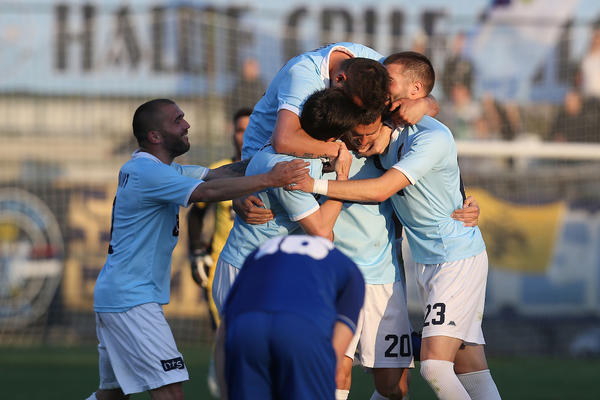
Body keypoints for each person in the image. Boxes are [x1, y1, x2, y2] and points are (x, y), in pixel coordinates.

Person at [293, 52, 501, 400]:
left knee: (434, 368)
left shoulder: (431, 137)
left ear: (415, 90)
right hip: (429, 261)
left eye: (388, 79)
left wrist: (314, 185)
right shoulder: (386, 123)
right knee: (469, 364)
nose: (379, 83)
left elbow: (381, 190)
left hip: (456, 258)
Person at [86, 98, 308, 400]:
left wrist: (270, 157)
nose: (187, 125)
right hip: (131, 301)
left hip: (119, 296)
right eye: (177, 120)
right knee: (171, 391)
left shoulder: (156, 169)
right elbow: (207, 191)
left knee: (111, 396)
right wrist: (271, 178)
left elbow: (218, 175)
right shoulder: (147, 172)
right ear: (155, 136)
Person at [213, 88, 367, 315]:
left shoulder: (291, 148)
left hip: (264, 270)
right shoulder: (293, 168)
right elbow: (322, 233)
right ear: (334, 139)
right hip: (249, 273)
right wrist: (341, 177)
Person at [216, 234, 365, 400]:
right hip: (301, 332)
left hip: (246, 329)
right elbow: (334, 360)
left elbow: (224, 331)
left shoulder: (259, 253)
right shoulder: (350, 269)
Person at [240, 42, 440, 161]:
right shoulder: (303, 76)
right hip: (264, 162)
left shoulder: (373, 66)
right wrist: (340, 150)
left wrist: (422, 105)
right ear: (339, 80)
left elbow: (419, 85)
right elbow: (284, 140)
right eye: (356, 109)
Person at [186, 107, 253, 398]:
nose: (244, 136)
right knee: (229, 334)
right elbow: (195, 213)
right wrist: (196, 252)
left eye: (250, 129)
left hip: (262, 269)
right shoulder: (221, 169)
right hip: (223, 268)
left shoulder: (269, 168)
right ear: (232, 133)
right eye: (239, 130)